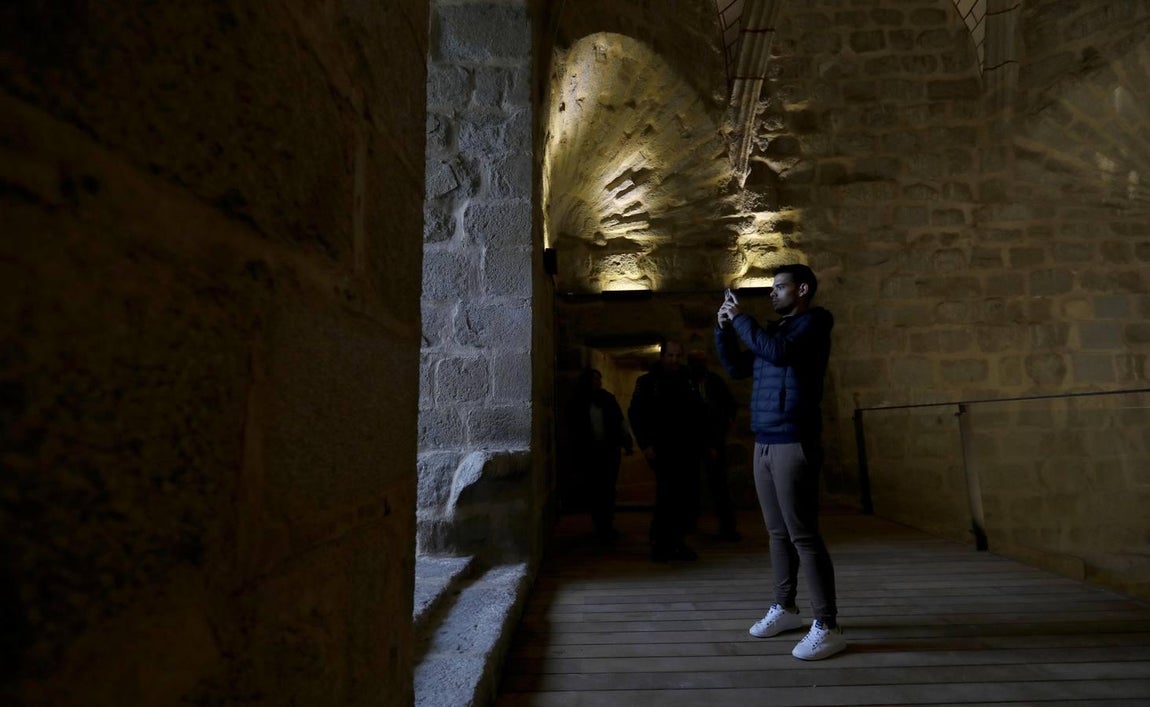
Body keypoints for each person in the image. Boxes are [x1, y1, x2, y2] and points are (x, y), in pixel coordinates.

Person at [714, 264, 846, 661]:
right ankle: (785, 607)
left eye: (779, 287)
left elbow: (779, 352)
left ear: (801, 290)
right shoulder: (774, 332)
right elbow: (738, 368)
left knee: (803, 535)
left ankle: (827, 626)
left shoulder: (813, 324)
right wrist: (724, 329)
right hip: (765, 441)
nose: (772, 293)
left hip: (794, 439)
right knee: (777, 532)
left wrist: (742, 320)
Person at [628, 340, 704, 562]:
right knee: (668, 495)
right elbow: (636, 414)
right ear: (662, 356)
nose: (674, 360)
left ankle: (675, 542)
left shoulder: (687, 379)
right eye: (670, 355)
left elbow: (696, 411)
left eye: (677, 356)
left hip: (685, 447)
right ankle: (663, 544)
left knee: (682, 496)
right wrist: (645, 444)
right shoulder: (648, 382)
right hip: (662, 447)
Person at [567, 368, 633, 543]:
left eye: (598, 379)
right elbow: (573, 428)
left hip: (609, 451)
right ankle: (600, 524)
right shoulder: (579, 401)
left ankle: (607, 525)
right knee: (595, 489)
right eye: (594, 379)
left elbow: (619, 421)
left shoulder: (607, 399)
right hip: (590, 453)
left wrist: (626, 441)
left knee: (608, 488)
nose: (597, 382)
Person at [686, 348, 740, 541]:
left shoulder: (714, 382)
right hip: (691, 441)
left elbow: (729, 406)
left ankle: (727, 527)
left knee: (719, 485)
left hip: (713, 439)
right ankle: (689, 523)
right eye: (696, 361)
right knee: (690, 485)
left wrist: (722, 429)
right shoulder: (686, 382)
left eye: (702, 361)